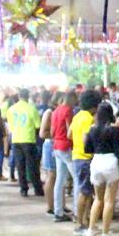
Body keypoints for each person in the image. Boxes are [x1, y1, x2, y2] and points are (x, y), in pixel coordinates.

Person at [83, 103, 119, 236]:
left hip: (96, 162)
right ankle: (105, 234)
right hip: (110, 162)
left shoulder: (92, 129)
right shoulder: (114, 129)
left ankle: (91, 230)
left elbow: (87, 149)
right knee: (109, 200)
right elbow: (118, 151)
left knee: (98, 199)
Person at [68, 90, 99, 236]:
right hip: (85, 158)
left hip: (76, 156)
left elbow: (69, 134)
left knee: (86, 192)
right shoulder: (88, 118)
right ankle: (80, 223)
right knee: (85, 192)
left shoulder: (77, 116)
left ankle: (86, 222)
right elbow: (88, 138)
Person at [8, 88, 44, 198]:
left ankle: (23, 189)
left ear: (19, 96)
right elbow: (38, 126)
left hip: (16, 139)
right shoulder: (32, 109)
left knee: (20, 166)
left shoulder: (11, 109)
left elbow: (10, 126)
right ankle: (37, 189)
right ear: (28, 96)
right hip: (28, 139)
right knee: (32, 165)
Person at [49, 92, 75, 221]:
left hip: (57, 146)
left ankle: (58, 212)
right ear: (69, 98)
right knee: (77, 179)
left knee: (59, 180)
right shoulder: (68, 110)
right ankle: (78, 211)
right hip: (66, 146)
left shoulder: (55, 111)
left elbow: (52, 131)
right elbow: (69, 130)